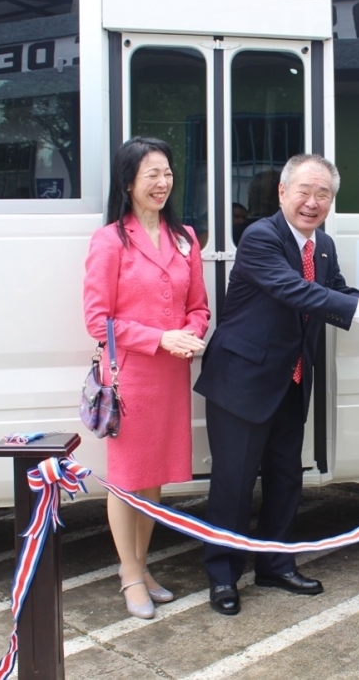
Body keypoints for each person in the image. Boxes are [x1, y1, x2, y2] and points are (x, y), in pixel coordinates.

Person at [194, 153, 359, 616]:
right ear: (282, 193)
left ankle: (275, 564)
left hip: (291, 380)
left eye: (324, 194)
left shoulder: (324, 245)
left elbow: (334, 290)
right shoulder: (260, 237)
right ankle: (222, 577)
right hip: (243, 380)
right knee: (233, 485)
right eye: (305, 192)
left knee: (285, 478)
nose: (313, 203)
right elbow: (298, 291)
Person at [83, 136, 210, 620]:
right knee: (127, 480)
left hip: (171, 375)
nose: (162, 183)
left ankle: (141, 565)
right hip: (130, 376)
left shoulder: (185, 237)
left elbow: (198, 307)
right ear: (128, 182)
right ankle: (130, 575)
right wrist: (162, 339)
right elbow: (99, 321)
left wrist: (191, 332)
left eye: (167, 173)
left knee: (155, 478)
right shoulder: (110, 240)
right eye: (151, 174)